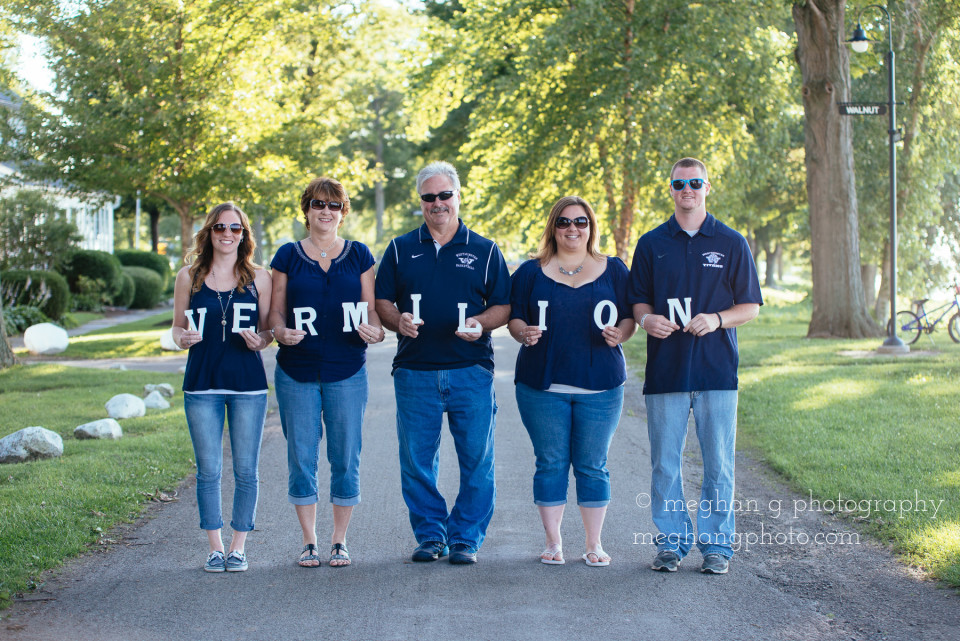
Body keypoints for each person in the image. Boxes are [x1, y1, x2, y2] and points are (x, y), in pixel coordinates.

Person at [628, 157, 762, 575]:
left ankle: (717, 545)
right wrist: (646, 319)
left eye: (695, 182)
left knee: (719, 464)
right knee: (665, 463)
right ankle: (671, 542)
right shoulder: (652, 243)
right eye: (680, 183)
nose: (687, 189)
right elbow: (638, 300)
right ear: (670, 188)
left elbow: (750, 306)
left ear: (707, 187)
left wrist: (717, 319)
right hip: (666, 371)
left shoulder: (731, 241)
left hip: (717, 371)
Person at [375, 161, 511, 565]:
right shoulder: (400, 248)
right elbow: (382, 300)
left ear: (458, 196)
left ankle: (466, 537)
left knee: (477, 460)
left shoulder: (484, 249)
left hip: (471, 369)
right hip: (415, 371)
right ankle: (431, 536)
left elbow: (502, 306)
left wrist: (479, 323)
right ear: (421, 202)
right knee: (417, 462)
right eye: (429, 197)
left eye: (444, 195)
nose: (437, 203)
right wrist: (396, 319)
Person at [509, 196, 636, 567]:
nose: (572, 229)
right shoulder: (530, 272)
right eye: (564, 222)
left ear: (590, 227)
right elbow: (514, 318)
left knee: (593, 464)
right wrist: (523, 333)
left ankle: (594, 543)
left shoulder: (614, 269)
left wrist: (621, 334)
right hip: (542, 385)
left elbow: (630, 317)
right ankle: (553, 542)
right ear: (553, 227)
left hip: (601, 386)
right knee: (550, 462)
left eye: (580, 222)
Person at [268, 177, 384, 568]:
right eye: (318, 204)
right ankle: (308, 541)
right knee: (302, 457)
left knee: (345, 457)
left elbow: (371, 311)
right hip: (296, 371)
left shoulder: (360, 255)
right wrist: (280, 332)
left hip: (347, 370)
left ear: (343, 212)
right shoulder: (286, 255)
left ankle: (339, 540)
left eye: (334, 205)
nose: (326, 211)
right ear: (306, 211)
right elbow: (276, 311)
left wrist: (376, 330)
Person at [172, 202, 273, 573]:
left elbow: (267, 331)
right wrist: (181, 339)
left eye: (235, 229)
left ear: (244, 235)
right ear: (209, 232)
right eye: (220, 228)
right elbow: (176, 327)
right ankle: (215, 548)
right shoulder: (189, 275)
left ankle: (238, 546)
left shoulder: (260, 278)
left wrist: (260, 341)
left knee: (246, 470)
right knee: (209, 470)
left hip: (248, 384)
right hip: (201, 383)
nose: (227, 235)